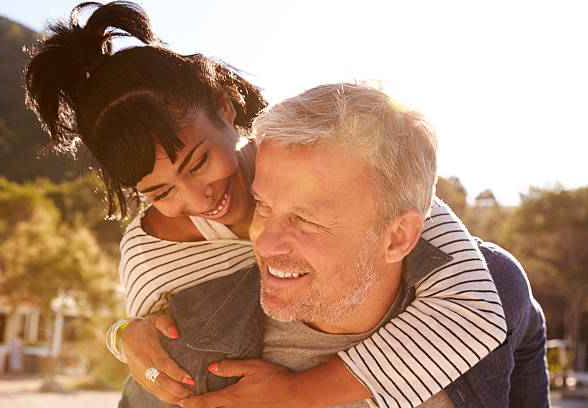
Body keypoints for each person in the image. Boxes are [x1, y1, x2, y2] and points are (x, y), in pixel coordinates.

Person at [24, 2, 507, 407]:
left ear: (224, 108)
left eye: (198, 162)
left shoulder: (314, 156)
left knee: (500, 269)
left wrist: (299, 393)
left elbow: (480, 308)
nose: (199, 200)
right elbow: (153, 344)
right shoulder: (153, 255)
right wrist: (123, 335)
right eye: (160, 191)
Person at [121, 82, 548, 408]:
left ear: (399, 236)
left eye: (306, 218)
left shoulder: (490, 289)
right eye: (263, 206)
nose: (265, 243)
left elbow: (525, 328)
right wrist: (121, 334)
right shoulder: (187, 350)